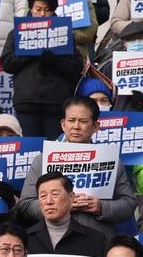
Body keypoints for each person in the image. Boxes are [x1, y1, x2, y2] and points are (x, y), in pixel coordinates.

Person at [17, 97, 138, 235]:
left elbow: (128, 203)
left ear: (95, 126)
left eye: (83, 121)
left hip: (99, 238)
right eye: (71, 120)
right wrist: (58, 205)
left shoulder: (111, 159)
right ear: (63, 124)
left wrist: (100, 207)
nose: (76, 126)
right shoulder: (43, 160)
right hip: (54, 239)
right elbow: (25, 205)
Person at [0, 0, 85, 139]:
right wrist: (31, 51)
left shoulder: (64, 32)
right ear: (31, 9)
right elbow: (7, 63)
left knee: (54, 146)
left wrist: (54, 61)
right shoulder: (16, 33)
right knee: (29, 149)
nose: (42, 14)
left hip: (56, 102)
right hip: (26, 101)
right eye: (38, 9)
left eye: (47, 10)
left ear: (53, 11)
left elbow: (76, 67)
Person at [23, 171, 109, 257]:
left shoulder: (95, 239)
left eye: (55, 194)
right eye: (43, 196)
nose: (49, 201)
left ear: (71, 197)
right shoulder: (24, 239)